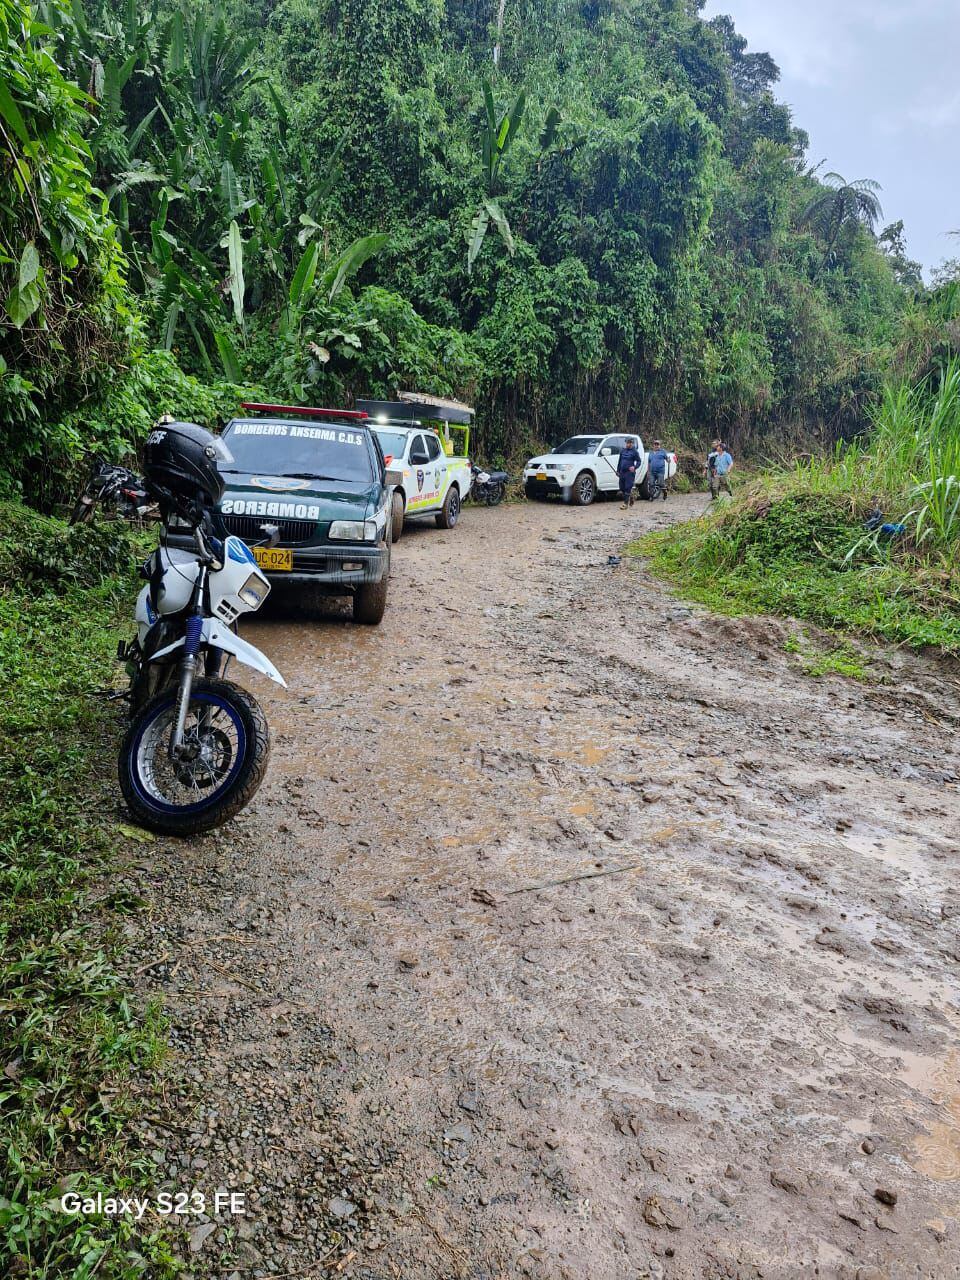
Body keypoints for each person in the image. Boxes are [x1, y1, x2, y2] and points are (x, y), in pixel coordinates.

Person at [617, 437, 641, 508]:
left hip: (629, 473)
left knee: (628, 487)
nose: (628, 444)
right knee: (622, 488)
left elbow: (639, 461)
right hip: (622, 472)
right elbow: (620, 461)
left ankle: (625, 504)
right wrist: (618, 471)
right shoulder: (623, 451)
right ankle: (631, 497)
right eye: (627, 443)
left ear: (632, 443)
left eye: (630, 443)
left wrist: (635, 467)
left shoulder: (635, 452)